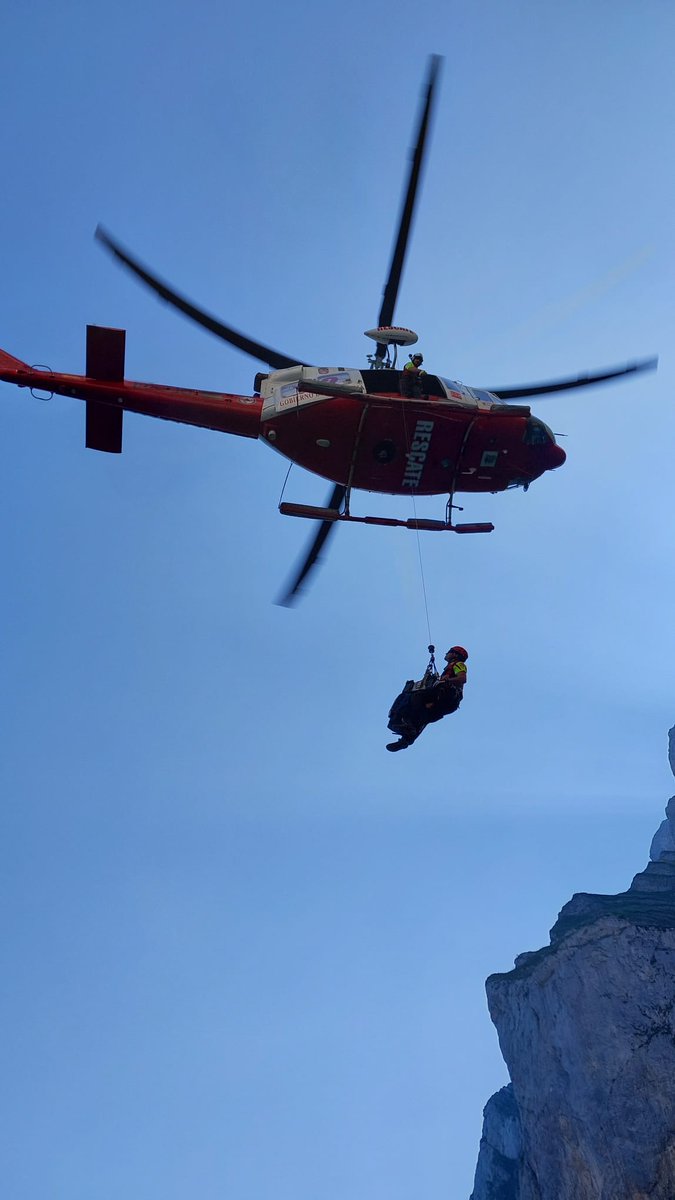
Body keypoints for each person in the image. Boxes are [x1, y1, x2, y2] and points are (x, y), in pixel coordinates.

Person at [386, 646, 468, 752]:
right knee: (424, 715)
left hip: (448, 696)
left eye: (449, 652)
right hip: (446, 702)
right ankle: (406, 739)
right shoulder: (448, 669)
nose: (446, 653)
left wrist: (447, 680)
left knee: (414, 696)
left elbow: (462, 678)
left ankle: (406, 722)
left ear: (455, 655)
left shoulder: (459, 664)